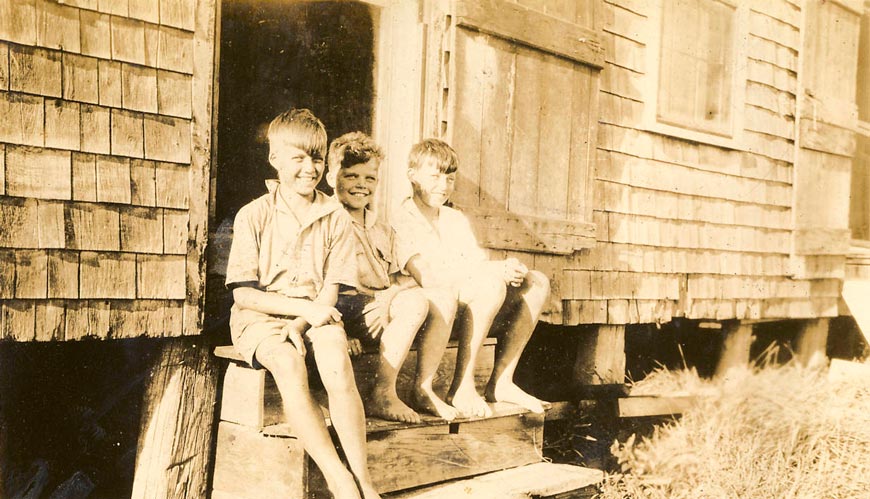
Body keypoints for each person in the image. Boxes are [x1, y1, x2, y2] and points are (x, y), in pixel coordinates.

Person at [225, 109, 379, 499]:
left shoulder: (335, 217)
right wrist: (298, 314)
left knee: (335, 360)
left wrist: (306, 322)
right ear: (274, 158)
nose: (309, 169)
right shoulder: (253, 215)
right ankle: (337, 477)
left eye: (317, 158)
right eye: (298, 158)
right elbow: (243, 294)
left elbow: (329, 291)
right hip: (260, 317)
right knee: (290, 364)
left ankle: (363, 477)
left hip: (316, 314)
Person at [392, 138, 551, 418]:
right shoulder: (401, 218)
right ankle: (462, 385)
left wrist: (505, 269)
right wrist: (492, 271)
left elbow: (475, 264)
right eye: (435, 176)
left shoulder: (454, 219)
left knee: (536, 281)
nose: (443, 185)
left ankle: (501, 381)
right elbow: (430, 278)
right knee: (489, 283)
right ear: (411, 174)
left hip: (464, 308)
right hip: (430, 312)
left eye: (450, 179)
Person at [326, 131, 458, 422]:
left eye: (370, 179)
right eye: (351, 176)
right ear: (331, 177)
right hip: (338, 310)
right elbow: (313, 286)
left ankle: (423, 388)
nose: (361, 185)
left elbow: (401, 276)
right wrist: (338, 331)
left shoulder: (380, 228)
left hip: (372, 309)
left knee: (435, 296)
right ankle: (383, 393)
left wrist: (396, 293)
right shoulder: (326, 221)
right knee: (412, 303)